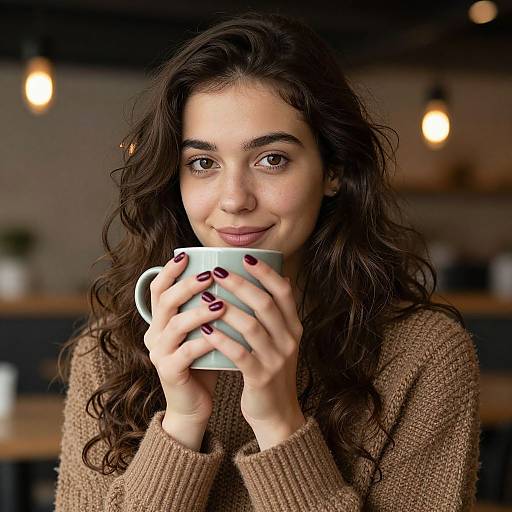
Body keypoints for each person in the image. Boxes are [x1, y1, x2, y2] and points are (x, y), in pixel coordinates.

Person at [54, 10, 480, 511]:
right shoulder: (112, 350)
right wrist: (182, 422)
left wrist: (280, 423)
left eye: (271, 159)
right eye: (203, 163)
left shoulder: (424, 357)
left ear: (334, 171)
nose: (234, 199)